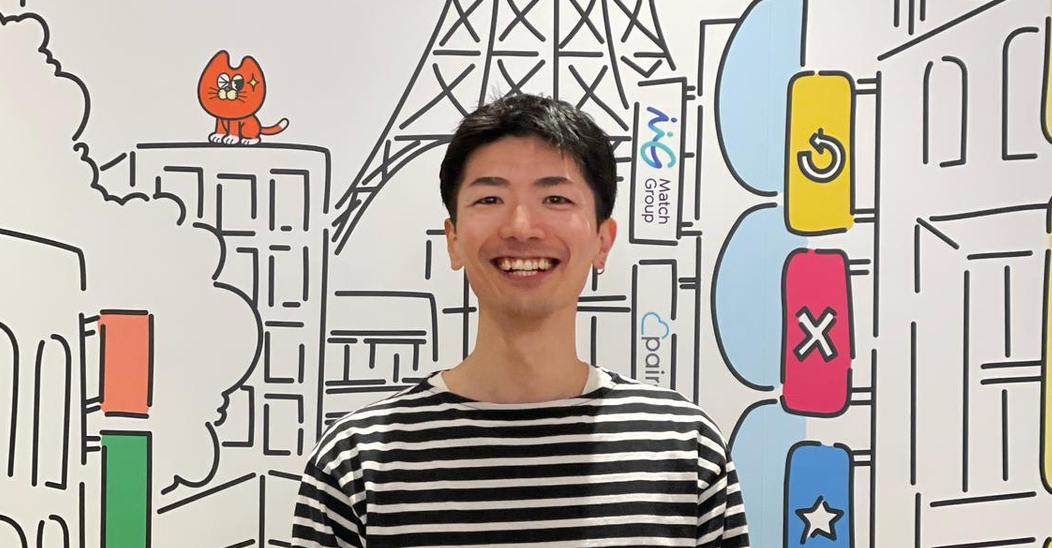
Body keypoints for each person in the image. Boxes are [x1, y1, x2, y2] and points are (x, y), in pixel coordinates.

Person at [292, 93, 749, 547]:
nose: (521, 227)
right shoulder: (357, 461)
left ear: (602, 241)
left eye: (555, 198)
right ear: (453, 240)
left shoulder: (684, 447)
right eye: (490, 198)